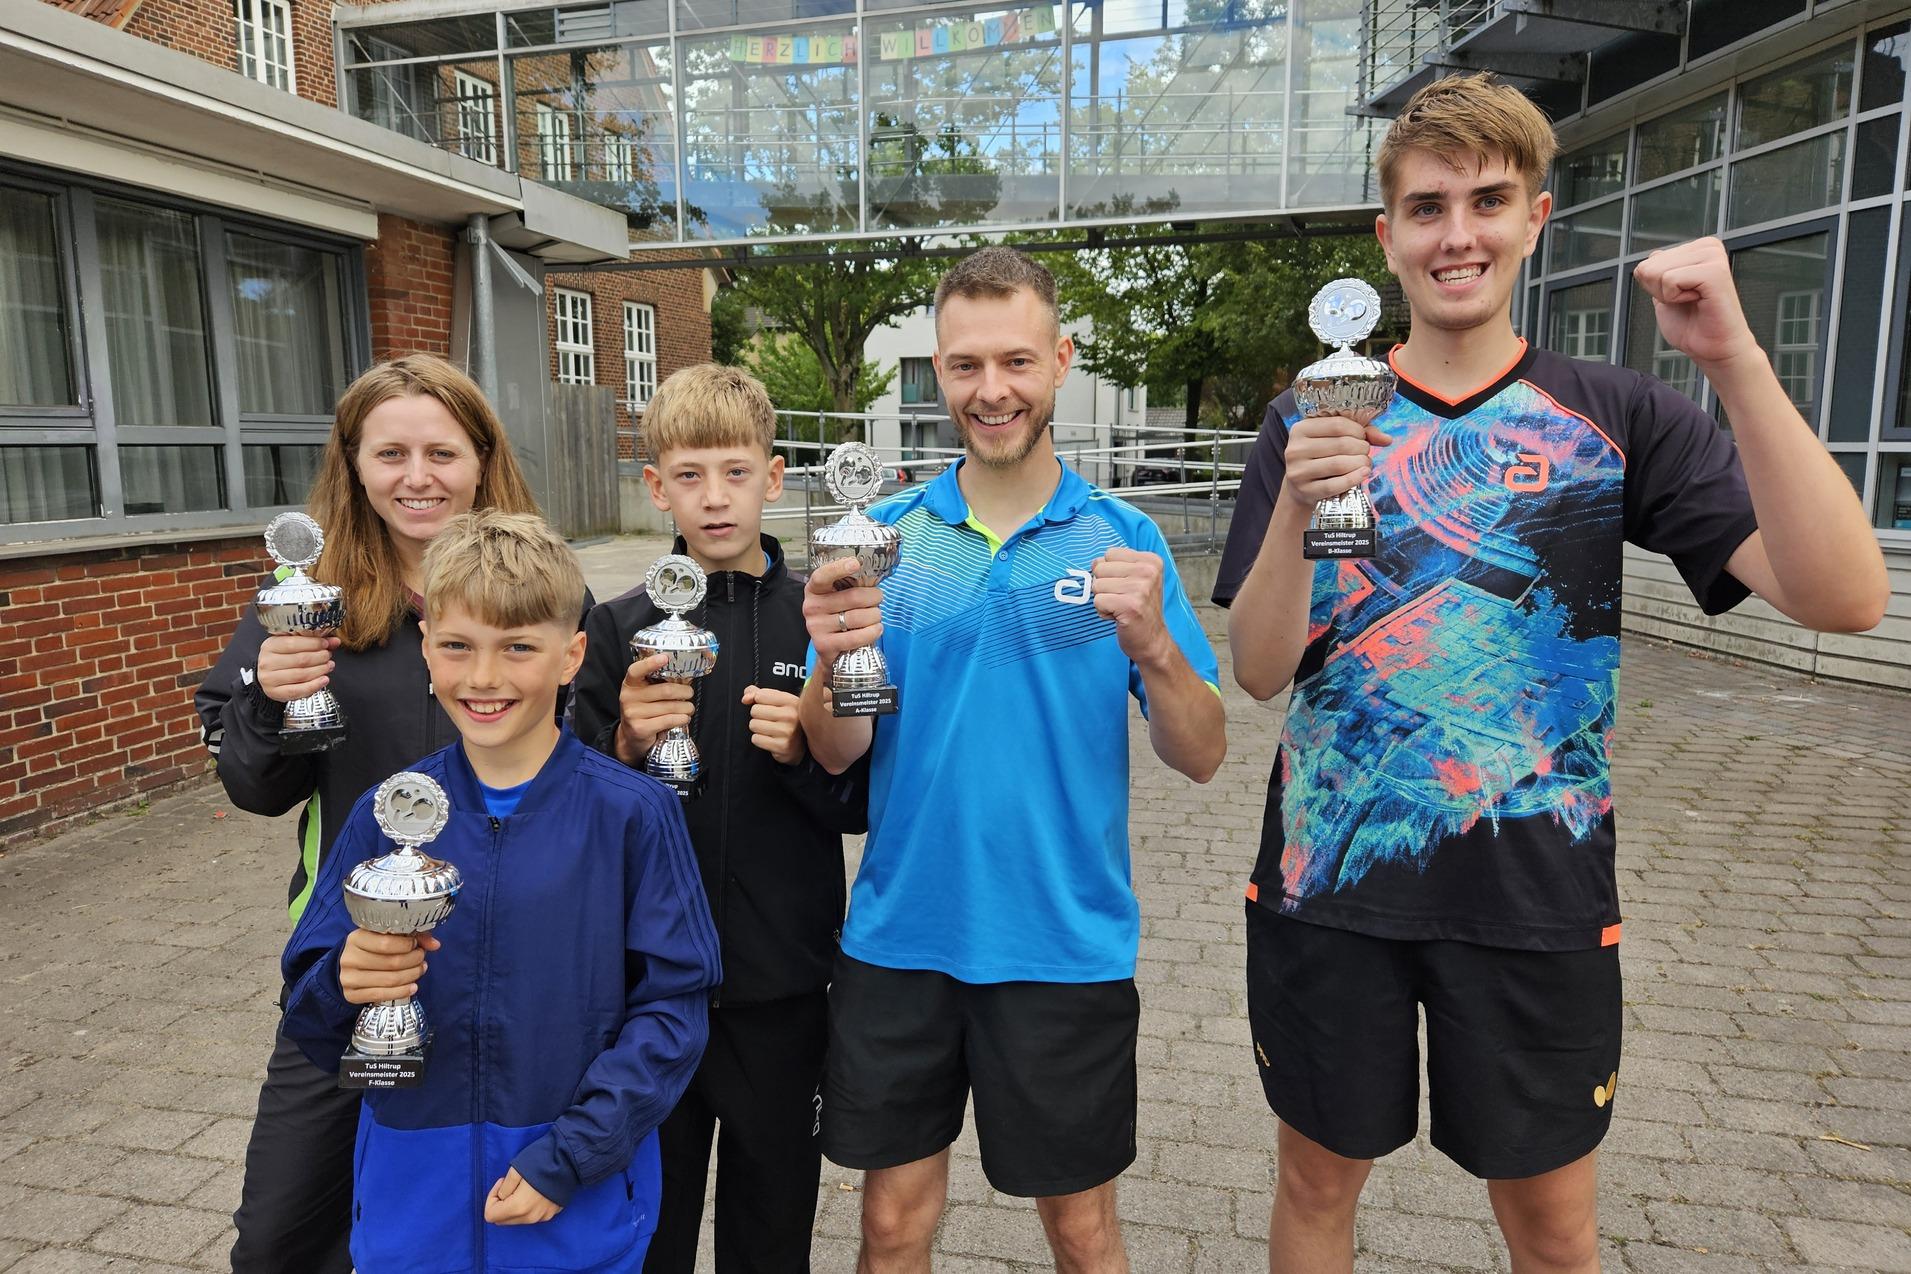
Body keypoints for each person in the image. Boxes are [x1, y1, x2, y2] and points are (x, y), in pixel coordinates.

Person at [1214, 72, 1890, 1274]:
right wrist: (1295, 507)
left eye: (1488, 200)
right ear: (1388, 236)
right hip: (1330, 884)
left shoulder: (1621, 412)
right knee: (1315, 1183)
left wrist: (1733, 358)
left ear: (1537, 215)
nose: (1457, 233)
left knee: (1556, 1227)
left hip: (1536, 887)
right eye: (1427, 207)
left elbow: (1845, 598)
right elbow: (1259, 671)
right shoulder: (1313, 415)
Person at [797, 246, 1227, 1273]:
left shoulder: (1123, 541)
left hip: (1062, 943)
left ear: (1061, 360)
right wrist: (832, 662)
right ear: (939, 370)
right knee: (893, 1226)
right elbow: (835, 747)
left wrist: (1158, 649)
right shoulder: (884, 541)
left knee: (1081, 1234)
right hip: (902, 935)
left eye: (1017, 362)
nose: (992, 391)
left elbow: (1203, 753)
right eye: (965, 365)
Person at [279, 508, 722, 1272]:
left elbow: (674, 1006)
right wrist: (343, 982)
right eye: (457, 646)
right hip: (412, 1197)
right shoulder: (386, 813)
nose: (483, 678)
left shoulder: (632, 815)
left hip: (567, 1195)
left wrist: (573, 1155)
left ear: (570, 655)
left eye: (518, 647)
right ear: (427, 650)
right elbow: (312, 1010)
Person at [194, 354, 545, 1273]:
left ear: (481, 459)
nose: (418, 477)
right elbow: (256, 789)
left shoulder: (545, 589)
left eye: (441, 452)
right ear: (352, 464)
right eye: (390, 453)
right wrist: (266, 705)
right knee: (281, 1237)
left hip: (506, 967)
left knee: (479, 1225)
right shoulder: (302, 606)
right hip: (348, 964)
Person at [571, 363, 867, 1273]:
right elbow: (564, 807)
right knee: (646, 1228)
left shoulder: (823, 620)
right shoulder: (616, 626)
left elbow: (859, 804)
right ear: (655, 486)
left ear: (774, 478)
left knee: (771, 1226)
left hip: (781, 986)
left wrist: (802, 753)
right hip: (642, 994)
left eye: (735, 472)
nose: (714, 499)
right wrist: (620, 746)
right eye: (689, 476)